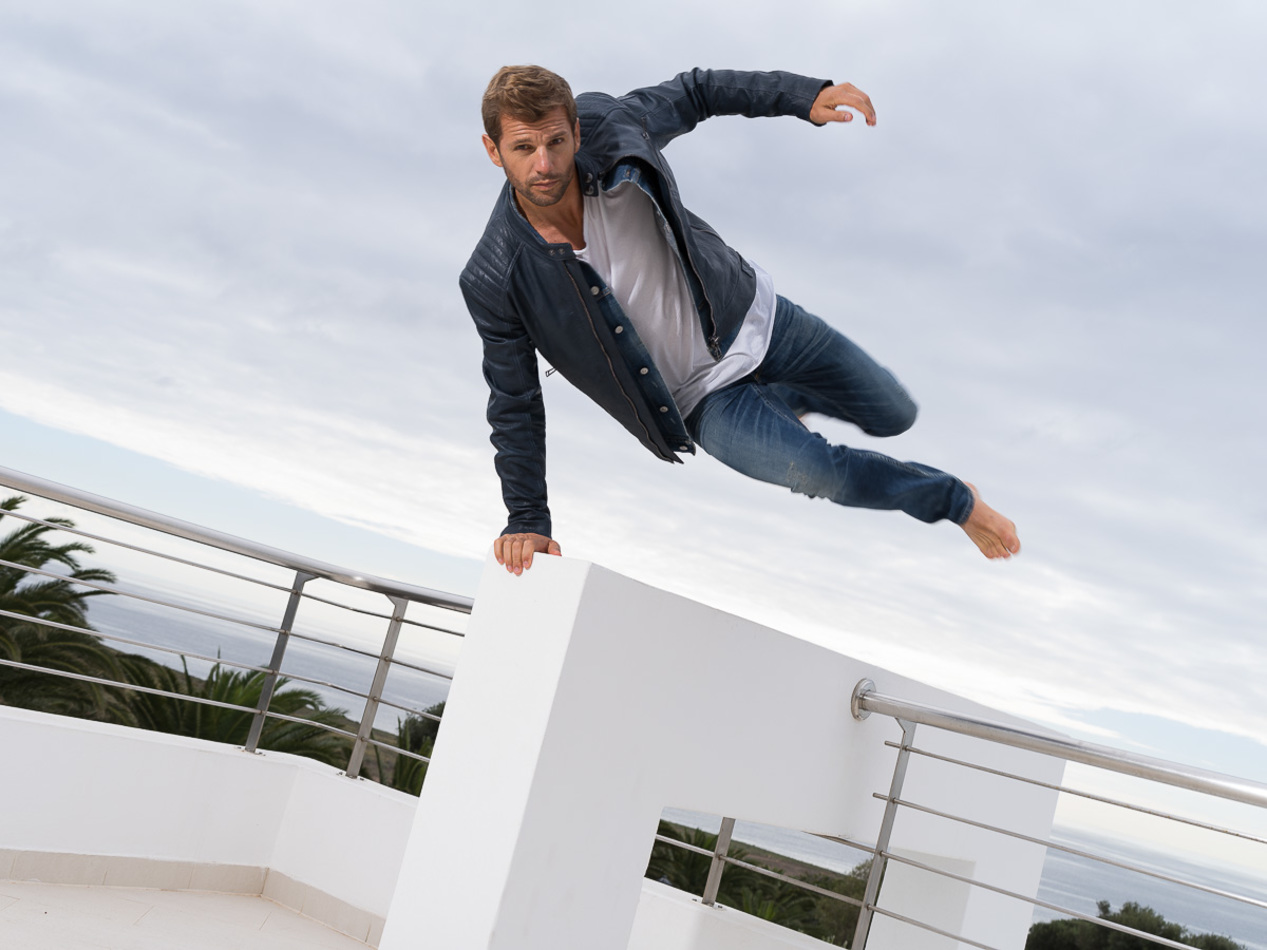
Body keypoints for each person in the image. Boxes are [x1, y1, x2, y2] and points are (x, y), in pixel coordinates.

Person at [461, 66, 1021, 575]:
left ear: (577, 132)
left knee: (895, 413)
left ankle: (783, 400)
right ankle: (956, 502)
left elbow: (696, 92)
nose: (544, 164)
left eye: (556, 142)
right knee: (820, 472)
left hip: (756, 318)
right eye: (524, 147)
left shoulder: (613, 123)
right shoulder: (496, 277)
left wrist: (803, 96)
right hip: (703, 400)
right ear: (494, 150)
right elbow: (515, 402)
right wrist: (527, 517)